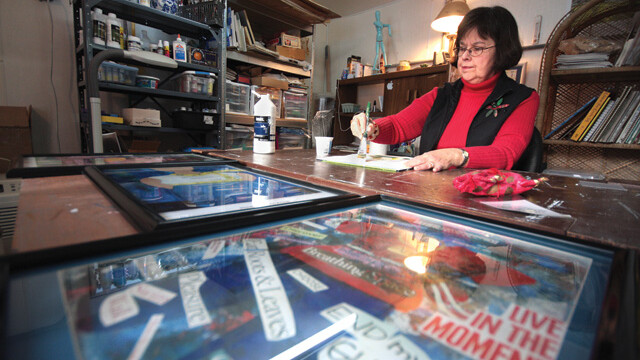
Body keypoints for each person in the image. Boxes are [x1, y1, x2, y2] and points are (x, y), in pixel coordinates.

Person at [350, 6, 539, 172]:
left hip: (481, 201)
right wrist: (372, 127)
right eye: (462, 48)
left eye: (477, 48)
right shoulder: (441, 95)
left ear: (503, 50)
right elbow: (398, 127)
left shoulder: (523, 98)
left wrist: (455, 156)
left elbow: (505, 153)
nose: (464, 56)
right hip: (430, 192)